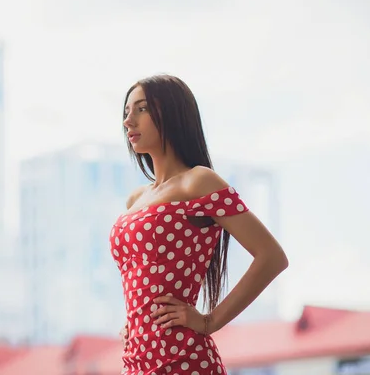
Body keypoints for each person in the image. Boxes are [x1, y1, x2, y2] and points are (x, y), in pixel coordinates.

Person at [110, 74, 289, 375]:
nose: (129, 121)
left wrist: (209, 321)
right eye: (126, 112)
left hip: (183, 359)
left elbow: (272, 257)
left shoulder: (199, 181)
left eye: (141, 109)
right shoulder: (134, 200)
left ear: (172, 113)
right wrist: (134, 322)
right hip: (137, 359)